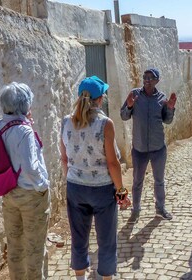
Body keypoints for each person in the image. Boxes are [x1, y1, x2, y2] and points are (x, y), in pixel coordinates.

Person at [60, 76, 127, 280]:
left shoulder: (66, 122)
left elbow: (64, 158)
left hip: (75, 187)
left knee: (78, 236)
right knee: (106, 238)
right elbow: (113, 162)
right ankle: (105, 276)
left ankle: (80, 277)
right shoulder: (105, 124)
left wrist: (71, 181)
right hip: (101, 189)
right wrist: (121, 191)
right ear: (100, 99)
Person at [0, 82, 51, 279]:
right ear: (25, 104)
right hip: (30, 194)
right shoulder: (25, 130)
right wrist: (43, 185)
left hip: (9, 193)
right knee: (35, 248)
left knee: (15, 247)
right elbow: (31, 167)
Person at [120, 68, 177, 223]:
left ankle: (160, 208)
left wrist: (170, 108)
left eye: (151, 78)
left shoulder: (162, 98)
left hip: (158, 148)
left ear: (157, 81)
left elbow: (167, 120)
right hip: (139, 149)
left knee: (159, 181)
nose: (147, 80)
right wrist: (130, 106)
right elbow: (123, 116)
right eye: (145, 77)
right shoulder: (135, 95)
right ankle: (135, 211)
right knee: (137, 181)